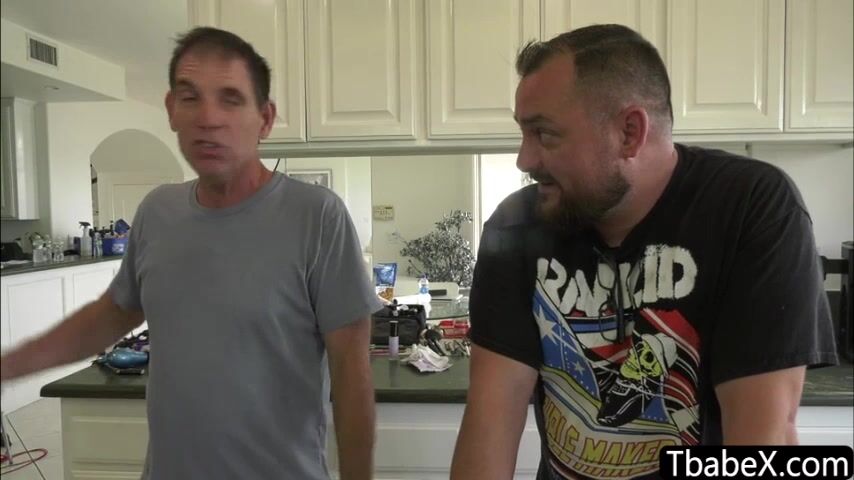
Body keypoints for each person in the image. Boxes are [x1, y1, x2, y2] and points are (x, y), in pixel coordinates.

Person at [450, 24, 838, 479]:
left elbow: (761, 439)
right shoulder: (516, 226)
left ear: (629, 133)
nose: (525, 159)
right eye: (524, 132)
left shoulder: (749, 208)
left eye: (545, 134)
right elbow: (491, 419)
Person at [0, 27, 381, 480]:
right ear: (171, 110)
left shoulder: (317, 217)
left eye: (230, 99)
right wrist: (11, 364)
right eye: (190, 97)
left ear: (264, 118)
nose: (208, 118)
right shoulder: (157, 212)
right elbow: (111, 314)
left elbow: (352, 376)